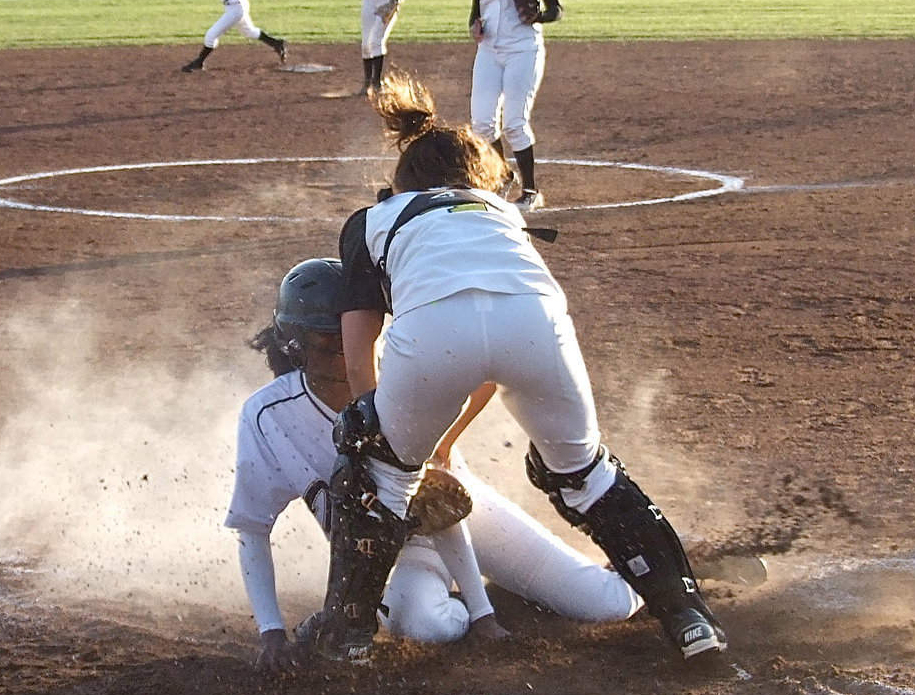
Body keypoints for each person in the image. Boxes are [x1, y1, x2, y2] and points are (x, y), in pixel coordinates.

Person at [305, 72, 727, 667]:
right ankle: (689, 619)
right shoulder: (500, 211)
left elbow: (361, 328)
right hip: (538, 321)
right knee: (586, 475)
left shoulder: (374, 218)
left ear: (403, 179)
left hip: (435, 333)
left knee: (375, 475)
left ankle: (347, 638)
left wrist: (369, 422)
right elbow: (489, 346)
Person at [225, 257, 642, 672]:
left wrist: (483, 615)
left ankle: (650, 560)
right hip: (400, 555)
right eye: (329, 335)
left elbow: (442, 504)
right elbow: (252, 527)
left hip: (467, 516)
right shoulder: (267, 416)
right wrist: (271, 633)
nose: (345, 343)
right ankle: (454, 597)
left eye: (352, 330)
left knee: (608, 604)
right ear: (294, 341)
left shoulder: (398, 377)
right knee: (425, 625)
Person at [469, 0, 562, 212]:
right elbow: (475, 14)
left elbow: (556, 10)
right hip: (489, 52)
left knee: (514, 123)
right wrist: (474, 27)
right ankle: (502, 176)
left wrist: (538, 16)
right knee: (482, 124)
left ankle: (531, 191)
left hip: (523, 50)